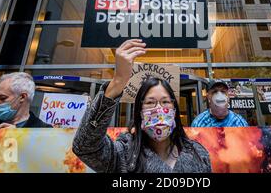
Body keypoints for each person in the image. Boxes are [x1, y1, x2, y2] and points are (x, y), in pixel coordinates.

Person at [72, 39, 211, 173]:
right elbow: (85, 146)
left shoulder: (198, 153)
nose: (159, 109)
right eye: (150, 102)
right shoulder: (123, 155)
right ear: (140, 112)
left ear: (174, 110)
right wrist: (118, 81)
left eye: (165, 102)